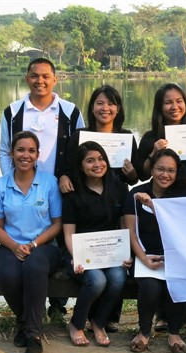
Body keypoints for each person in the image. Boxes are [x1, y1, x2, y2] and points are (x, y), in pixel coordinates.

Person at [0, 57, 85, 319]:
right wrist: (12, 182)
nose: (40, 81)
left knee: (59, 247)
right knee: (29, 248)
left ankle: (57, 306)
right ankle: (31, 308)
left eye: (46, 76)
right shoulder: (13, 111)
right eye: (35, 75)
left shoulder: (70, 111)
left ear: (55, 79)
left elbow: (80, 152)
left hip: (62, 189)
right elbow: (4, 151)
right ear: (27, 78)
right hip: (24, 191)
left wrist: (67, 176)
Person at [60, 84, 137, 332]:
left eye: (111, 103)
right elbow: (67, 167)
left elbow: (133, 179)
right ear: (92, 107)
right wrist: (62, 177)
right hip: (83, 208)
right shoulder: (79, 136)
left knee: (116, 274)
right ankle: (81, 322)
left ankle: (104, 320)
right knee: (96, 278)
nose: (105, 108)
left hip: (113, 207)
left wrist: (133, 174)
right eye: (100, 103)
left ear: (118, 108)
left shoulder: (126, 136)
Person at [137, 82, 186, 331]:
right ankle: (162, 314)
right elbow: (140, 173)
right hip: (163, 202)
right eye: (168, 102)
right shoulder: (151, 136)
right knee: (164, 251)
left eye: (179, 101)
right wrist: (153, 152)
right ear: (160, 106)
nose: (174, 106)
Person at [0, 131, 62, 353]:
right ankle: (23, 321)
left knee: (33, 267)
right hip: (10, 246)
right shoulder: (0, 185)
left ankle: (33, 334)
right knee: (8, 273)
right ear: (11, 153)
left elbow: (57, 224)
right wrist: (13, 246)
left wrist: (33, 243)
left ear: (38, 155)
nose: (25, 155)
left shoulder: (49, 182)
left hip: (44, 246)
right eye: (20, 150)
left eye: (31, 150)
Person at [62, 141, 131, 347]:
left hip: (111, 254)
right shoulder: (72, 193)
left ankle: (98, 322)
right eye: (90, 160)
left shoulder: (118, 187)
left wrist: (125, 254)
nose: (97, 164)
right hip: (79, 254)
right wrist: (76, 258)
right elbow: (68, 233)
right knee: (97, 280)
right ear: (80, 165)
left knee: (118, 277)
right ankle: (76, 324)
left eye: (101, 159)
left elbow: (124, 226)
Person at [124, 149, 186, 353]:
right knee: (150, 287)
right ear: (151, 169)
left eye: (171, 170)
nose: (165, 174)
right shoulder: (135, 194)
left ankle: (174, 332)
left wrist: (153, 206)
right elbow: (131, 233)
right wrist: (142, 258)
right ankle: (144, 332)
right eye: (160, 169)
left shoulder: (181, 196)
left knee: (177, 282)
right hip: (144, 256)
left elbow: (181, 230)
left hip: (174, 256)